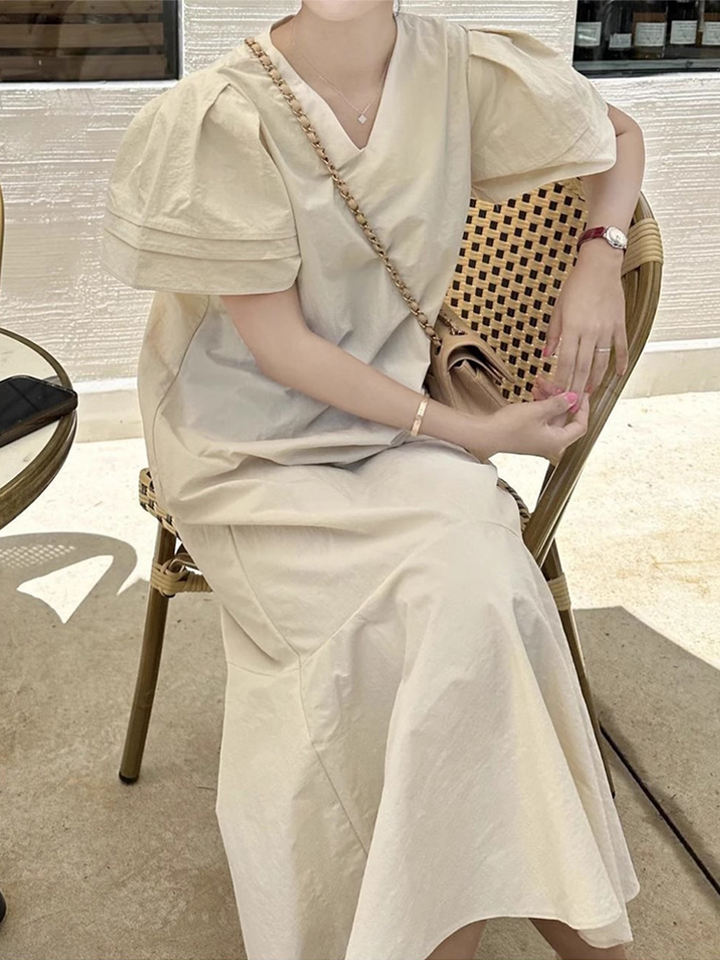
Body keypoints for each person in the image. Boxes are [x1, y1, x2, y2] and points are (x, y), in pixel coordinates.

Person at [100, 1, 646, 958]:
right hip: (247, 453)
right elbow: (280, 350)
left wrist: (597, 260)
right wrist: (474, 434)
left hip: (387, 432)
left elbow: (618, 135)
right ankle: (570, 936)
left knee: (481, 590)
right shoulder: (221, 117)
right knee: (446, 619)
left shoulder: (462, 68)